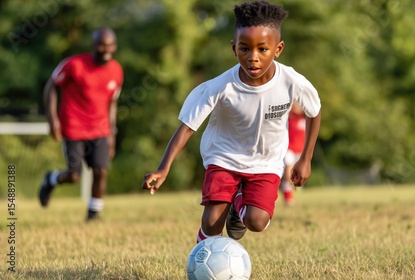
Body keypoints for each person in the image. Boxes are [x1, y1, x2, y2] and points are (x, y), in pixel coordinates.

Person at [142, 0, 321, 242]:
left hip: (266, 162)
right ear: (233, 48)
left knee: (257, 222)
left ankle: (239, 206)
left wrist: (305, 159)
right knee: (212, 221)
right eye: (244, 49)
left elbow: (314, 111)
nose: (253, 57)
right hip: (224, 157)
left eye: (262, 50)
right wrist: (164, 168)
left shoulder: (291, 81)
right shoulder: (219, 87)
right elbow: (187, 128)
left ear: (278, 49)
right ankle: (203, 259)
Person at [38, 27, 123, 221]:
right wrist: (52, 119)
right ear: (93, 45)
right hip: (73, 127)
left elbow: (112, 103)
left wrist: (112, 133)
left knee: (101, 170)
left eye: (110, 45)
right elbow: (51, 86)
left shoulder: (117, 70)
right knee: (74, 176)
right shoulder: (73, 65)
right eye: (102, 45)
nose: (106, 49)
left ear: (115, 46)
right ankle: (50, 179)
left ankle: (94, 213)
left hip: (100, 128)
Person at [281, 102, 306, 206]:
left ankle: (291, 191)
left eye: (298, 105)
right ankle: (288, 198)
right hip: (289, 148)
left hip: (301, 151)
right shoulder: (288, 118)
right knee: (288, 172)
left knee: (298, 175)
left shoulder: (305, 119)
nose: (295, 107)